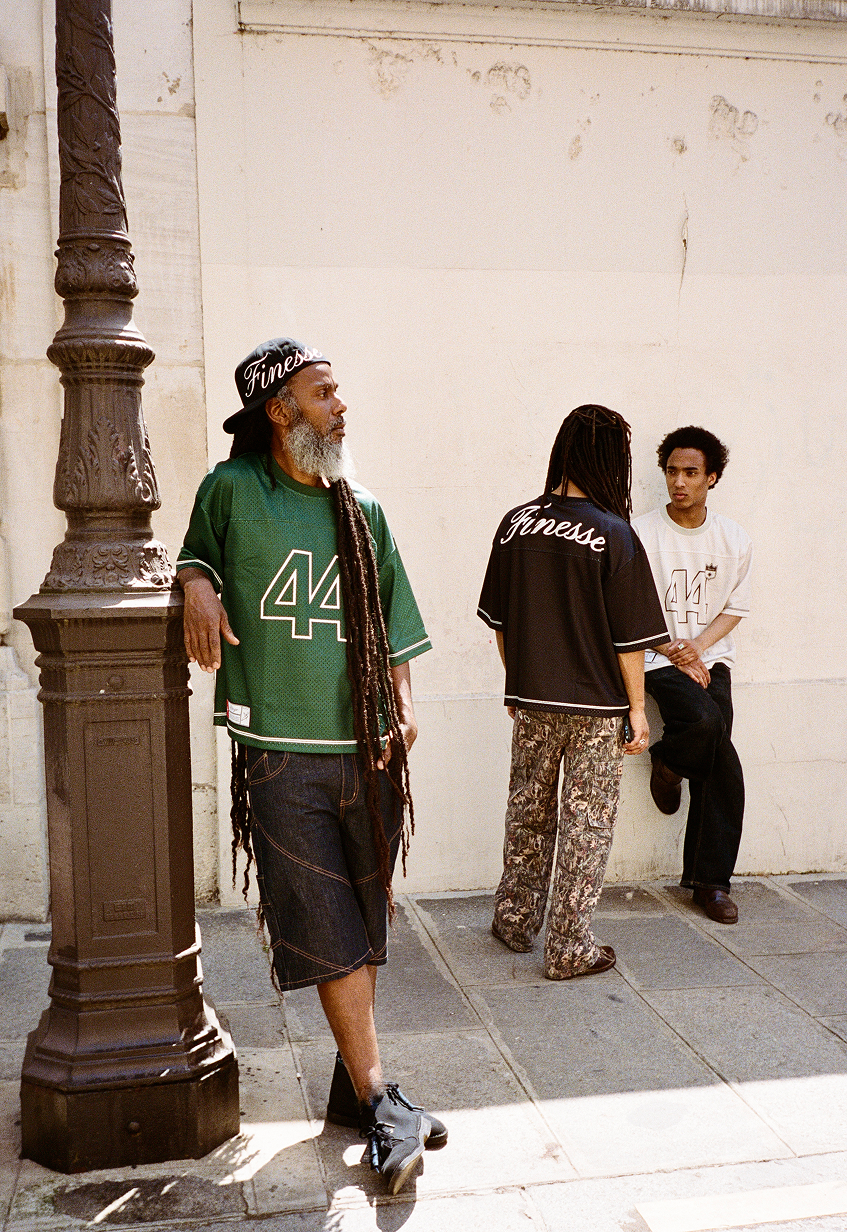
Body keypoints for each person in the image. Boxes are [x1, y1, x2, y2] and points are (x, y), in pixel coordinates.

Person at [176, 337, 446, 1195]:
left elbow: (396, 622)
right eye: (323, 392)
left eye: (338, 391)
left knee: (365, 920)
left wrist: (402, 709)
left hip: (366, 753)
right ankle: (380, 1095)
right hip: (278, 754)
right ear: (279, 408)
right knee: (323, 926)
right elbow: (190, 554)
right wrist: (193, 580)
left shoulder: (360, 507)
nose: (340, 405)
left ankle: (351, 1092)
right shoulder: (230, 490)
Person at [478, 406, 668, 980]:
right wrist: (637, 711)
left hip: (533, 700)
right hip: (596, 708)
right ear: (611, 460)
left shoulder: (516, 523)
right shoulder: (614, 533)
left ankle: (514, 920)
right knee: (587, 826)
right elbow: (628, 639)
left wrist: (520, 682)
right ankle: (568, 947)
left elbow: (500, 620)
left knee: (527, 810)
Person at [633, 426, 752, 924]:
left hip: (710, 660)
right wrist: (670, 649)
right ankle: (667, 762)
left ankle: (710, 882)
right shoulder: (639, 532)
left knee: (718, 754)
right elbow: (624, 605)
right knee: (707, 728)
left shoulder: (732, 539)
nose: (678, 482)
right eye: (671, 472)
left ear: (713, 478)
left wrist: (698, 647)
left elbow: (734, 607)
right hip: (653, 660)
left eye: (690, 473)